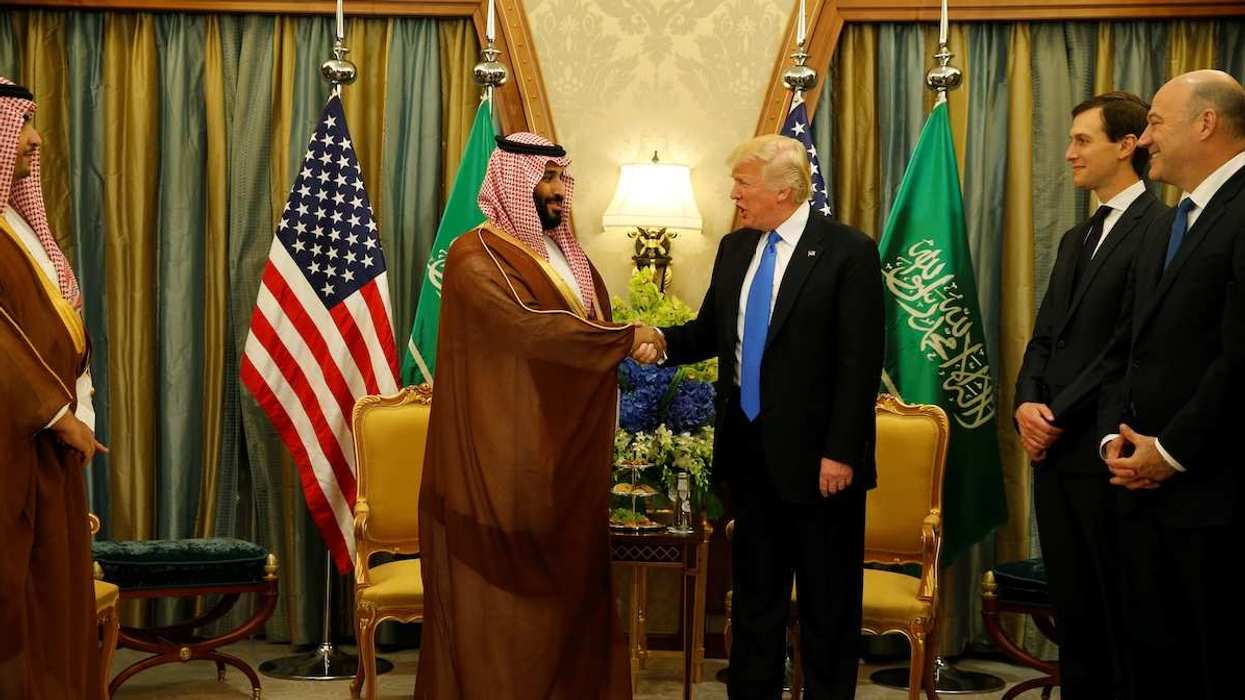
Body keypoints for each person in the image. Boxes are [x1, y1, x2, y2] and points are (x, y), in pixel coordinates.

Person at [414, 132, 662, 699]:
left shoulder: (566, 257)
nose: (556, 192)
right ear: (511, 182)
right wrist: (630, 338)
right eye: (544, 179)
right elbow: (529, 328)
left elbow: (585, 331)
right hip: (499, 456)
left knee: (569, 592)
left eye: (560, 179)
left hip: (565, 458)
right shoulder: (473, 255)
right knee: (504, 603)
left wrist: (630, 339)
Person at [653, 134, 883, 699]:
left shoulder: (847, 251)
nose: (734, 195)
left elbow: (860, 363)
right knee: (756, 601)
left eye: (743, 184)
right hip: (749, 457)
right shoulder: (736, 249)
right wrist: (656, 339)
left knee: (828, 607)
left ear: (785, 189)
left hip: (821, 465)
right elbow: (710, 334)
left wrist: (842, 452)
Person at [1068, 70, 1245, 699]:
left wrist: (1169, 453)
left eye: (1158, 124)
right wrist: (1119, 439)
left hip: (1211, 493)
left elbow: (1237, 357)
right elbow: (1128, 347)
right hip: (1138, 484)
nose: (1145, 138)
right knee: (1148, 663)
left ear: (1206, 123)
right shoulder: (1172, 222)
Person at [1012, 91, 1164, 699]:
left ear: (1127, 146)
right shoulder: (1078, 237)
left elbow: (1127, 344)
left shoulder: (1158, 229)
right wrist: (1027, 402)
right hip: (1051, 449)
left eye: (1082, 141)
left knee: (1114, 616)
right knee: (1073, 612)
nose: (1068, 153)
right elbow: (1047, 333)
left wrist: (1058, 413)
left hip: (1101, 446)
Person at [0, 77, 103, 698]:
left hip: (50, 448)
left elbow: (59, 321)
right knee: (23, 610)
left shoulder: (16, 221)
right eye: (22, 127)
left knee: (57, 600)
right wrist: (54, 415)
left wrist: (79, 406)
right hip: (15, 452)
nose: (35, 140)